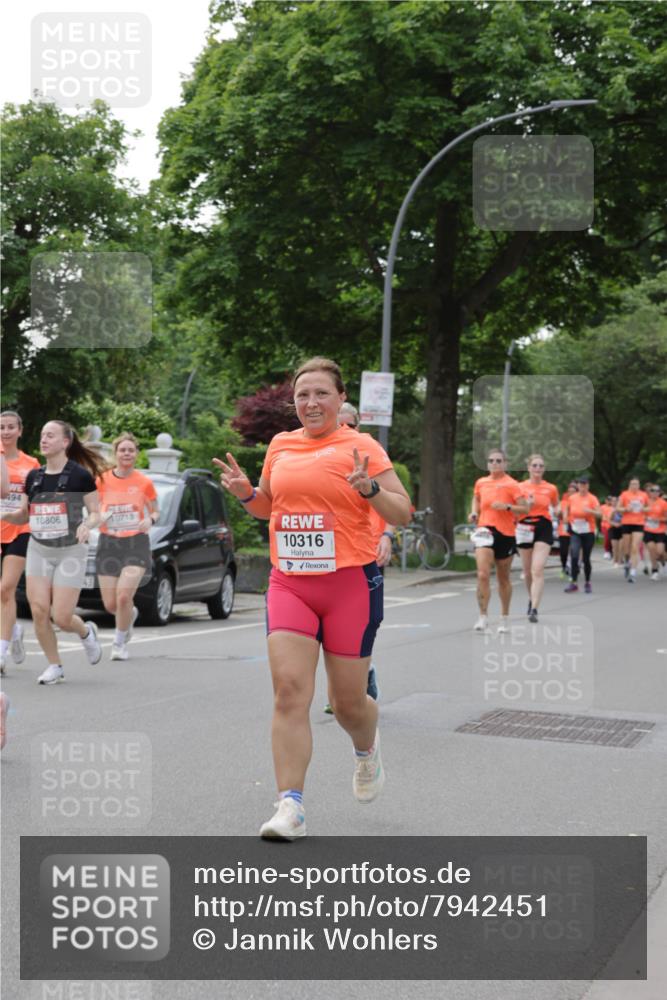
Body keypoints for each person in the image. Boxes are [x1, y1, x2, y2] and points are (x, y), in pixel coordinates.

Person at [214, 357, 411, 840]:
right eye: (303, 395)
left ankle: (366, 748)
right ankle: (291, 807)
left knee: (346, 704)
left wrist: (368, 490)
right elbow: (269, 505)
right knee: (288, 692)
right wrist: (245, 494)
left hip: (350, 584)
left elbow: (402, 511)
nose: (311, 402)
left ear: (341, 399)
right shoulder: (280, 445)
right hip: (290, 583)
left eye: (322, 393)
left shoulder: (362, 447)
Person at [2, 420, 106, 684]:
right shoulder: (33, 477)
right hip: (39, 548)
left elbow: (96, 512)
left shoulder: (79, 476)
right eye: (42, 435)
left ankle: (85, 633)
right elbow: (23, 515)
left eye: (50, 435)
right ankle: (55, 665)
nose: (44, 440)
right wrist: (6, 516)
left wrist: (86, 524)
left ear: (65, 442)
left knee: (61, 616)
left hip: (70, 551)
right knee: (38, 610)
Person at [96, 433, 158, 660]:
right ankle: (129, 614)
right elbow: (93, 510)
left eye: (131, 450)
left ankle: (119, 644)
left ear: (136, 454)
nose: (126, 454)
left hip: (136, 543)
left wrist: (149, 520)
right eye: (122, 450)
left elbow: (155, 510)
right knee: (111, 604)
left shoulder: (144, 482)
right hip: (108, 543)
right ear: (116, 453)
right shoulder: (101, 480)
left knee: (123, 596)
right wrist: (99, 516)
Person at [469, 449, 529, 634]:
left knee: (503, 578)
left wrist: (507, 506)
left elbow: (525, 509)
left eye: (498, 461)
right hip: (485, 530)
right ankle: (483, 616)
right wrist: (474, 513)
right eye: (491, 461)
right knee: (482, 574)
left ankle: (504, 617)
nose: (494, 464)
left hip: (506, 533)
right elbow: (476, 499)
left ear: (505, 463)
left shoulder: (513, 485)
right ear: (487, 464)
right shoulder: (481, 482)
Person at [0, 411, 40, 675]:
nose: (5, 432)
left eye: (10, 427)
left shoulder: (31, 463)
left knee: (5, 589)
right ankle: (13, 629)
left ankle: (1, 652)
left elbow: (34, 499)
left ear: (20, 431)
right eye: (1, 427)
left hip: (20, 530)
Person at [516, 454, 559, 624]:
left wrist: (559, 511)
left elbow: (556, 505)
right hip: (524, 526)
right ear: (528, 468)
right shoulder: (519, 487)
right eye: (534, 465)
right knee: (527, 572)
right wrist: (528, 505)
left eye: (541, 466)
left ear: (544, 469)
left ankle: (534, 608)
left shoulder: (551, 488)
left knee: (537, 569)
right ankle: (531, 598)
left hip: (543, 526)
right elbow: (514, 510)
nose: (538, 469)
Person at [564, 476, 600, 594]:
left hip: (588, 531)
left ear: (588, 486)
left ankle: (587, 582)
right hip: (575, 531)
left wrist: (591, 511)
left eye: (584, 485)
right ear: (577, 486)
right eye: (580, 484)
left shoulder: (592, 498)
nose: (582, 487)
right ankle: (573, 583)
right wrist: (565, 517)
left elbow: (600, 514)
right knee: (574, 555)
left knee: (586, 558)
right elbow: (566, 509)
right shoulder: (572, 498)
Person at [616, 477, 649, 583]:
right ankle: (627, 562)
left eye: (636, 484)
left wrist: (643, 508)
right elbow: (617, 508)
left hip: (639, 523)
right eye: (633, 484)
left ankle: (633, 572)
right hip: (627, 523)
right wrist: (626, 509)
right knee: (627, 548)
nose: (635, 486)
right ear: (629, 485)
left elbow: (649, 508)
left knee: (635, 547)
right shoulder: (624, 494)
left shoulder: (643, 495)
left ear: (639, 485)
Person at [643, 484, 667, 581]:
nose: (654, 492)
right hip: (648, 530)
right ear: (650, 492)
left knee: (660, 552)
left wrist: (657, 519)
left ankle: (663, 562)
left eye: (657, 491)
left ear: (659, 492)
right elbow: (640, 515)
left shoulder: (663, 503)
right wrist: (646, 518)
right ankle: (655, 570)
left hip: (660, 531)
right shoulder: (645, 502)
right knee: (652, 551)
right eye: (652, 490)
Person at [557, 482, 577, 579]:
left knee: (573, 550)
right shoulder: (563, 502)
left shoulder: (579, 502)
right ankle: (564, 566)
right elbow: (557, 514)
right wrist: (560, 513)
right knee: (563, 551)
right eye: (569, 492)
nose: (571, 493)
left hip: (575, 528)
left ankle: (572, 568)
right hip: (563, 529)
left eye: (573, 492)